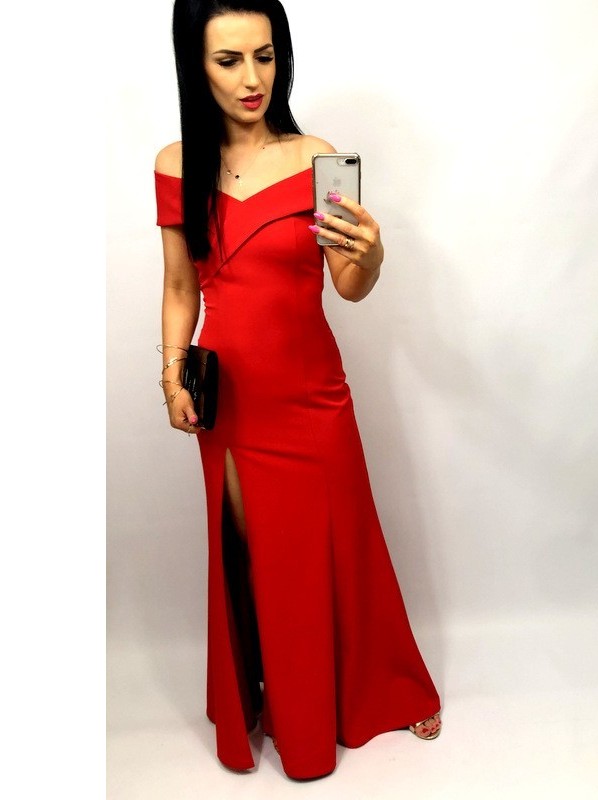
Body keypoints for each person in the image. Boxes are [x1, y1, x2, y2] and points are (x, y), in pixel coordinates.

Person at [154, 0, 441, 780]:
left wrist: (370, 255)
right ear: (196, 65)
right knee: (263, 560)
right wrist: (171, 373)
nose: (252, 78)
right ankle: (282, 705)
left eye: (265, 55)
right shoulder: (177, 166)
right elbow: (179, 285)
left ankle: (377, 689)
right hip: (234, 403)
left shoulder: (318, 158)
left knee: (341, 546)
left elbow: (347, 285)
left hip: (314, 395)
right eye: (228, 60)